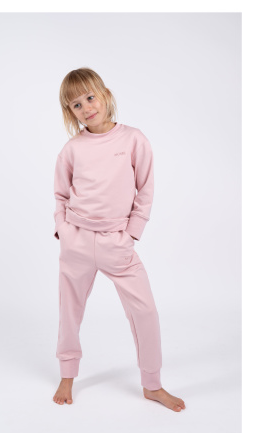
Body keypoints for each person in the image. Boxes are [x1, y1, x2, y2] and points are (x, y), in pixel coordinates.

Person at [52, 67, 186, 412]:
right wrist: (64, 231)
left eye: (90, 97)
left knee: (145, 311)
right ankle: (67, 374)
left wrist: (131, 233)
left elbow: (145, 190)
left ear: (105, 95)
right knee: (69, 310)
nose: (86, 107)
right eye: (76, 104)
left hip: (117, 242)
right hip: (77, 241)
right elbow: (61, 195)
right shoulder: (72, 149)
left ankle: (152, 384)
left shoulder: (133, 140)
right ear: (70, 112)